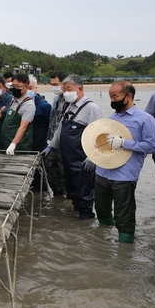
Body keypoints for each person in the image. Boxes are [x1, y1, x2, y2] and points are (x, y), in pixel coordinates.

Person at [95, 81, 155, 243]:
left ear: (128, 96)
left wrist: (124, 143)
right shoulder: (113, 117)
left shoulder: (145, 119)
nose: (112, 100)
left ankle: (125, 250)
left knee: (124, 216)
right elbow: (103, 142)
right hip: (102, 171)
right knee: (101, 210)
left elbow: (152, 146)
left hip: (125, 174)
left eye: (115, 96)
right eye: (110, 97)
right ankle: (102, 243)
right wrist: (92, 156)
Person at [43, 75, 102, 220]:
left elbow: (99, 135)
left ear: (79, 89)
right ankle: (75, 216)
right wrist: (51, 146)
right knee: (72, 191)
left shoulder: (91, 108)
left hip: (82, 159)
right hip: (67, 157)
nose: (65, 93)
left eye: (68, 89)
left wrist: (92, 157)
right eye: (64, 90)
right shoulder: (69, 106)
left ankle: (86, 218)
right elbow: (60, 129)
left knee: (84, 192)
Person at [0, 73, 35, 154]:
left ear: (26, 87)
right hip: (5, 141)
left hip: (19, 146)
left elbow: (23, 127)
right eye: (13, 86)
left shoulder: (28, 105)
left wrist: (13, 144)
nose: (15, 89)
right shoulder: (13, 100)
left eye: (18, 86)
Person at [46, 70, 68, 196]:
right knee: (51, 172)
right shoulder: (56, 100)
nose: (53, 87)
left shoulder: (72, 101)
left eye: (55, 84)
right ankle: (57, 197)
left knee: (64, 173)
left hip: (64, 146)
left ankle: (67, 202)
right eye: (52, 84)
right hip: (51, 143)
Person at [28, 76, 51, 152]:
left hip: (39, 146)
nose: (28, 90)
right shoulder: (18, 104)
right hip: (25, 145)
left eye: (30, 88)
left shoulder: (44, 106)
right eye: (26, 88)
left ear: (36, 88)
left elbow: (50, 126)